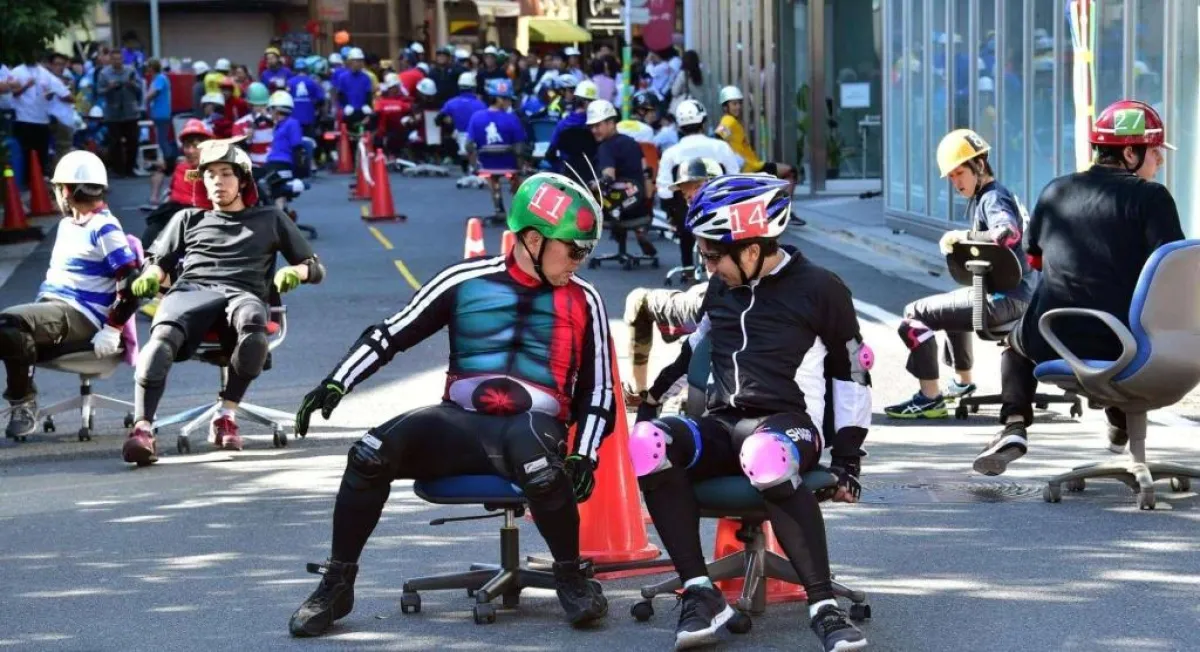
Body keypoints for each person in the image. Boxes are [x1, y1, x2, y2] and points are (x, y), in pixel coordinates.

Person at [288, 173, 613, 637]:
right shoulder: (464, 279)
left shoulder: (585, 299)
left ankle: (570, 578)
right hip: (460, 425)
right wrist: (338, 381)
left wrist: (586, 454)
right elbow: (392, 333)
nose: (581, 261)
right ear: (533, 239)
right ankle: (337, 584)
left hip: (532, 428)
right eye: (575, 250)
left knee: (541, 468)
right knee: (369, 453)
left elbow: (599, 389)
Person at [632, 174, 871, 652]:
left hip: (789, 426)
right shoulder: (720, 288)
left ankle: (824, 608)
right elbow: (693, 352)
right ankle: (700, 593)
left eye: (713, 255)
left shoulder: (821, 288)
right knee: (648, 444)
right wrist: (650, 401)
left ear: (753, 248)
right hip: (724, 425)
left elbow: (852, 373)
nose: (708, 265)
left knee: (764, 454)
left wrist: (848, 459)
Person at [975, 99, 1185, 476]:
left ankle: (1014, 425)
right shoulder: (1152, 198)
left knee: (1014, 345)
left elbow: (1036, 261)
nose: (1161, 160)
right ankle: (1122, 423)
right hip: (1126, 343)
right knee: (1119, 337)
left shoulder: (1054, 192)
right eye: (1155, 151)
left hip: (1052, 336)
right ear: (1131, 153)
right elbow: (1171, 272)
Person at [123, 138, 325, 464]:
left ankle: (225, 415)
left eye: (226, 173)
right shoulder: (187, 218)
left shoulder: (271, 218)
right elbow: (158, 261)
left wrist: (296, 272)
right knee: (160, 339)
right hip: (192, 291)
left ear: (243, 180)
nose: (218, 181)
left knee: (253, 325)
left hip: (243, 294)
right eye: (211, 174)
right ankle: (142, 430)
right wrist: (152, 274)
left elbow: (314, 266)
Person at [884, 128, 1035, 419]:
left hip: (1006, 300)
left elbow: (1007, 232)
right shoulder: (994, 194)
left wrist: (965, 236)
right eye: (951, 176)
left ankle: (930, 398)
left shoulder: (992, 199)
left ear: (979, 164)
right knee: (954, 304)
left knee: (915, 314)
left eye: (959, 173)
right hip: (1019, 297)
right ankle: (963, 383)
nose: (955, 182)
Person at [0, 151, 139, 444]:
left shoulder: (104, 228)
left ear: (66, 190)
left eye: (56, 188)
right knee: (12, 335)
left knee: (9, 323)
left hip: (82, 314)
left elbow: (132, 282)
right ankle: (23, 398)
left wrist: (113, 328)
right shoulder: (67, 225)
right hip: (56, 309)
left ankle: (23, 402)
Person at [622, 157, 722, 406]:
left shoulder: (712, 221)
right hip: (714, 298)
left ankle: (639, 392)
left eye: (697, 189)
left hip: (713, 302)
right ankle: (644, 392)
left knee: (638, 299)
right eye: (687, 195)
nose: (691, 199)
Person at [655, 100, 742, 283]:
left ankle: (687, 269)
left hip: (685, 214)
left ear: (680, 126)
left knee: (684, 225)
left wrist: (672, 211)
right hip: (718, 211)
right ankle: (725, 267)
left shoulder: (671, 153)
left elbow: (664, 190)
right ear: (703, 123)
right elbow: (734, 179)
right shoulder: (720, 147)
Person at [587, 99, 656, 261]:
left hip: (618, 211)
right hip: (640, 208)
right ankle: (639, 231)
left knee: (595, 195)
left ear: (611, 123)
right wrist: (647, 203)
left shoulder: (605, 148)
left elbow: (608, 178)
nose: (594, 130)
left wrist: (590, 186)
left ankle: (616, 232)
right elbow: (647, 174)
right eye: (592, 126)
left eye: (598, 125)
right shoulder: (633, 143)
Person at [142, 119, 214, 247]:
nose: (190, 151)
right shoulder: (181, 168)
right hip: (177, 216)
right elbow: (180, 185)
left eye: (196, 146)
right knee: (151, 232)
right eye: (187, 146)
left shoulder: (219, 168)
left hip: (207, 219)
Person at [466, 78, 526, 197]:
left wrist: (474, 166)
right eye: (508, 99)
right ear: (499, 99)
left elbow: (468, 145)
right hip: (510, 166)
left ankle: (497, 201)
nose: (510, 103)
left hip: (485, 166)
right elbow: (520, 148)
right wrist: (520, 167)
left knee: (490, 178)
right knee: (519, 183)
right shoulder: (512, 119)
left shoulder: (476, 117)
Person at [545, 79, 597, 186]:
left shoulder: (562, 125)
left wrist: (560, 167)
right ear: (589, 103)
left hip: (567, 177)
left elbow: (550, 153)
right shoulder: (596, 126)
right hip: (592, 178)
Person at [439, 71, 486, 174]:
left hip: (459, 136)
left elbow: (438, 119)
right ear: (474, 87)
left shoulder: (451, 103)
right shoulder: (481, 105)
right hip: (476, 138)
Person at [231, 82, 274, 166]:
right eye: (257, 105)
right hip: (252, 167)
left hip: (273, 165)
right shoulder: (239, 124)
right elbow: (237, 151)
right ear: (249, 105)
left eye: (263, 105)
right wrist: (247, 140)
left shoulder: (275, 121)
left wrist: (272, 123)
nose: (261, 109)